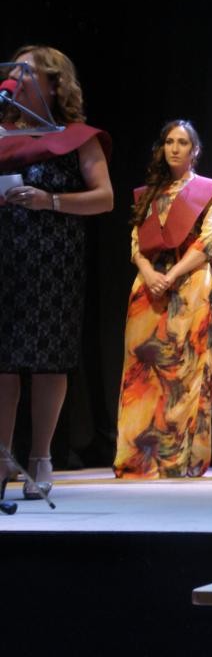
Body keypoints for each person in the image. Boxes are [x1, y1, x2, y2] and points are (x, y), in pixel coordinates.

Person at [0, 45, 113, 498]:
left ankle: (40, 457)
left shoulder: (77, 136)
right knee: (3, 362)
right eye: (14, 70)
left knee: (48, 360)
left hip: (53, 262)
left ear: (54, 83)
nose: (16, 78)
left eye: (27, 71)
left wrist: (49, 201)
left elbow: (104, 198)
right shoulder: (2, 133)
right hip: (6, 258)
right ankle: (2, 457)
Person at [114, 121, 212, 478]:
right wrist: (149, 273)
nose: (175, 148)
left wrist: (172, 274)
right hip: (148, 286)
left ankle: (178, 458)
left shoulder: (208, 193)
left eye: (182, 143)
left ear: (195, 150)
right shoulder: (149, 194)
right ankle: (138, 457)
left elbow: (208, 242)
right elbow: (136, 243)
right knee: (142, 369)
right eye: (169, 142)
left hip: (189, 284)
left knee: (183, 368)